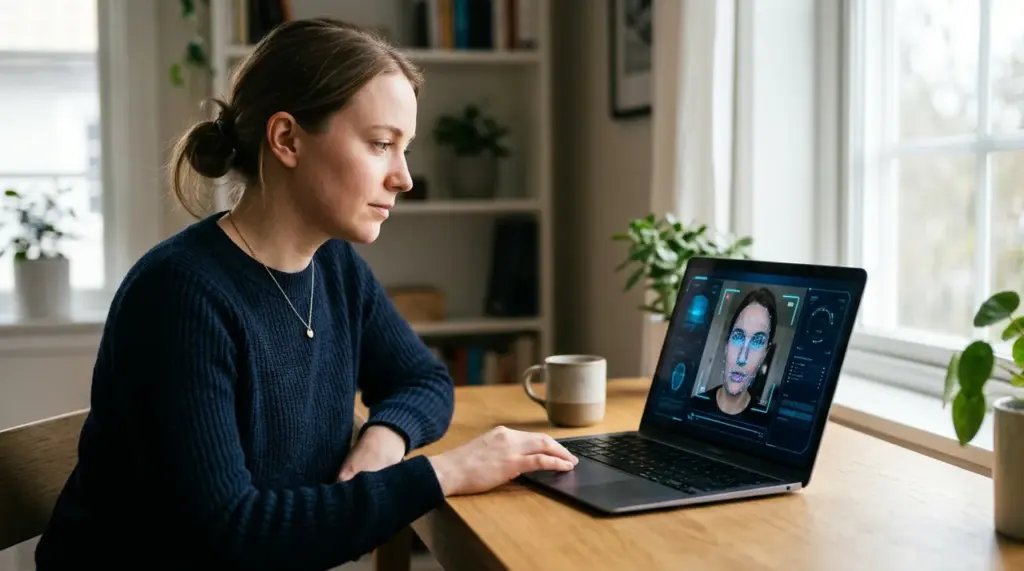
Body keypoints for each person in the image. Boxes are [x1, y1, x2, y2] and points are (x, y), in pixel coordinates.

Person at [34, 18, 577, 571]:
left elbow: (423, 379)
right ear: (288, 139)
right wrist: (447, 473)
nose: (404, 178)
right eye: (382, 144)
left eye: (404, 148)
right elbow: (233, 535)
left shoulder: (334, 267)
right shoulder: (180, 295)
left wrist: (383, 441)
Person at [692, 288, 777, 417]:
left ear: (765, 354)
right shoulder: (694, 406)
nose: (742, 358)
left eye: (758, 341)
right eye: (738, 337)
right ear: (727, 344)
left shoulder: (765, 423)